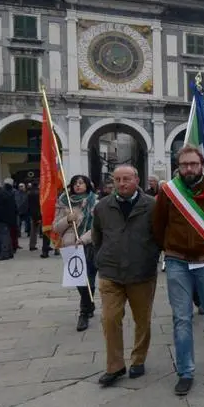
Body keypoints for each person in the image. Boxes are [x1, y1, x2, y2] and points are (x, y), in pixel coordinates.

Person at [154, 146, 204, 396]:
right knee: (182, 317)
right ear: (178, 166)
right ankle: (185, 371)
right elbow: (158, 224)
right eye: (184, 164)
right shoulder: (169, 192)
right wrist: (169, 247)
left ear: (202, 165)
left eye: (193, 164)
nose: (189, 168)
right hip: (177, 261)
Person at [93, 165, 160, 387]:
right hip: (111, 272)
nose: (122, 184)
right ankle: (115, 365)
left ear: (137, 180)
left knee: (142, 320)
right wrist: (101, 258)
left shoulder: (151, 205)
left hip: (141, 273)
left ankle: (138, 359)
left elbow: (160, 236)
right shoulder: (103, 206)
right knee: (110, 319)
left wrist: (150, 258)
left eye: (127, 179)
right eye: (117, 179)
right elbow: (97, 236)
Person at [53, 175, 99, 331]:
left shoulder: (95, 201)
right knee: (79, 280)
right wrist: (67, 219)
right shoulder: (63, 202)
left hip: (90, 244)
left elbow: (98, 227)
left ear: (87, 185)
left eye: (81, 183)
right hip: (71, 245)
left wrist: (85, 239)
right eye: (75, 183)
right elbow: (55, 227)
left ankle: (85, 310)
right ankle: (87, 307)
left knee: (90, 279)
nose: (78, 186)